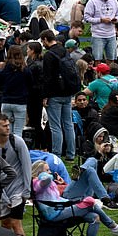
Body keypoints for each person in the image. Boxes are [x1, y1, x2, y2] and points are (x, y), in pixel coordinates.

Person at [0, 114, 31, 236]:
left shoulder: (17, 141)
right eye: (4, 126)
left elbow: (27, 165)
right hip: (1, 190)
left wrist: (27, 190)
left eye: (8, 125)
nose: (8, 128)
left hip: (18, 189)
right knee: (5, 223)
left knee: (15, 223)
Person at [40, 29, 78, 160]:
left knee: (55, 126)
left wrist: (45, 96)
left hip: (55, 94)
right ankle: (71, 153)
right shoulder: (64, 51)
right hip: (67, 92)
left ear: (45, 39)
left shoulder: (49, 55)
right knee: (68, 124)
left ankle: (56, 153)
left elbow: (47, 78)